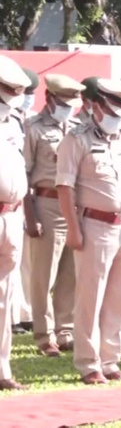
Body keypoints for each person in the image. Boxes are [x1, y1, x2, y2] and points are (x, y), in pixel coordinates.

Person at [56, 79, 121, 384]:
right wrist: (74, 229)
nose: (118, 117)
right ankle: (89, 362)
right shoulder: (76, 139)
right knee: (90, 297)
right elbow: (64, 188)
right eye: (114, 110)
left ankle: (110, 359)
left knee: (119, 297)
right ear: (99, 106)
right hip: (95, 225)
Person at [24, 74, 84, 357]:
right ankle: (44, 335)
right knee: (43, 276)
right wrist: (30, 214)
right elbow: (24, 173)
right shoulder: (32, 128)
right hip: (45, 204)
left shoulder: (77, 127)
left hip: (72, 205)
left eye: (72, 102)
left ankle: (66, 329)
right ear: (49, 99)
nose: (68, 107)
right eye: (63, 101)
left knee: (70, 274)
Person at [0, 54, 31, 391]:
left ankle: (2, 368)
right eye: (7, 90)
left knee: (5, 297)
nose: (12, 96)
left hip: (12, 214)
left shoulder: (14, 121)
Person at [11, 67, 39, 335]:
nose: (28, 98)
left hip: (20, 202)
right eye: (23, 92)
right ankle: (10, 318)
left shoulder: (26, 121)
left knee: (24, 260)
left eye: (31, 93)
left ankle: (24, 312)